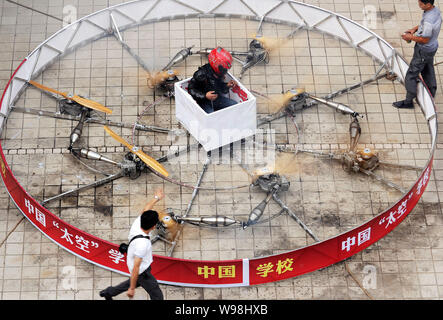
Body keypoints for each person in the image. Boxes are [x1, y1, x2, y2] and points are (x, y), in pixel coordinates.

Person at [99, 188, 165, 300]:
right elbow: (136, 268)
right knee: (157, 296)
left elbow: (146, 209)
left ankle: (109, 292)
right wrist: (132, 289)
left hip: (134, 261)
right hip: (142, 272)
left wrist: (156, 198)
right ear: (153, 227)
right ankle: (112, 291)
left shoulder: (138, 223)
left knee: (133, 281)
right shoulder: (143, 244)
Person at [393, 0, 442, 109]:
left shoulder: (429, 20)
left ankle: (408, 101)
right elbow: (423, 25)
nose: (419, 5)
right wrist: (414, 29)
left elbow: (424, 39)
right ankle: (431, 91)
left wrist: (410, 37)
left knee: (411, 74)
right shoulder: (435, 11)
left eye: (421, 4)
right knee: (428, 68)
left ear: (428, 4)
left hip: (423, 50)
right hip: (431, 48)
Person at [188, 47, 238, 113]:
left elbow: (218, 87)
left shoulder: (218, 74)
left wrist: (227, 85)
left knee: (235, 104)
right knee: (211, 116)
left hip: (216, 99)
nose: (225, 71)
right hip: (204, 102)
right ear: (216, 65)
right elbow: (191, 89)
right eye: (224, 68)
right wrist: (205, 96)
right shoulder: (201, 74)